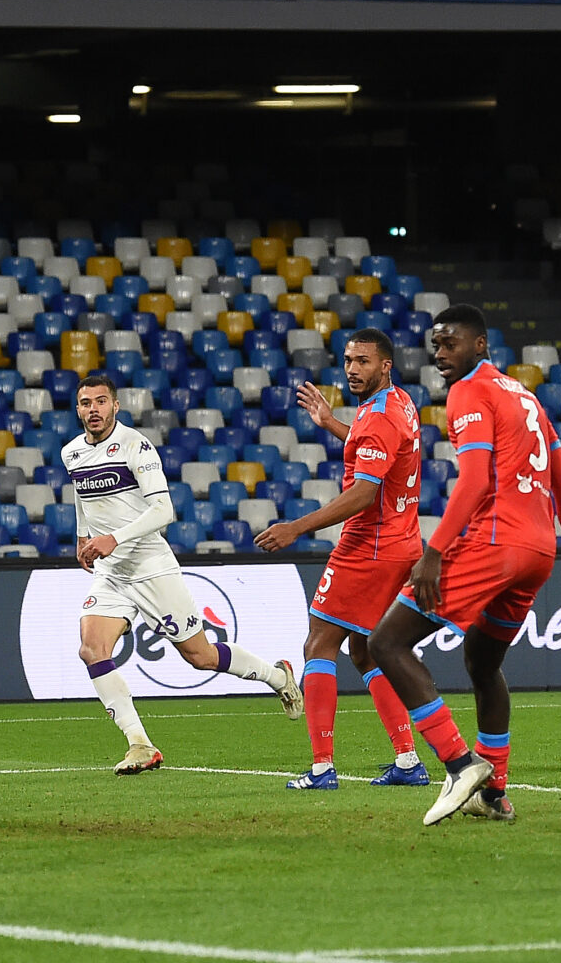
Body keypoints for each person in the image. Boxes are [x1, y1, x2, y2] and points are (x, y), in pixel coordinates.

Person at [370, 306, 561, 827]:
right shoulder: (524, 395)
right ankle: (495, 792)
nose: (440, 355)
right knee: (482, 660)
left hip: (495, 543)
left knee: (385, 643)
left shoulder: (468, 392)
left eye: (451, 344)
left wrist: (434, 552)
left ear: (480, 346)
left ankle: (459, 763)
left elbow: (476, 481)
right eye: (436, 345)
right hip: (538, 553)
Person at [65, 372, 303, 776]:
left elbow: (164, 511)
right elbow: (81, 496)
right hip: (113, 573)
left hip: (151, 567)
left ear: (116, 405)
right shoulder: (72, 452)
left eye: (101, 401)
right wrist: (82, 535)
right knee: (91, 649)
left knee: (201, 657)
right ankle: (140, 744)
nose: (94, 410)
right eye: (86, 403)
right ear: (78, 409)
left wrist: (114, 538)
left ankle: (277, 676)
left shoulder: (136, 447)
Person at [252, 332, 430, 791]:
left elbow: (364, 492)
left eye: (363, 361)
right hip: (401, 543)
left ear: (385, 365)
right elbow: (377, 450)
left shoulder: (379, 417)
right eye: (348, 360)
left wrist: (297, 527)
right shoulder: (399, 404)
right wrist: (332, 423)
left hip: (368, 548)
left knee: (318, 646)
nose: (352, 369)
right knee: (365, 648)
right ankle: (408, 761)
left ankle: (321, 768)